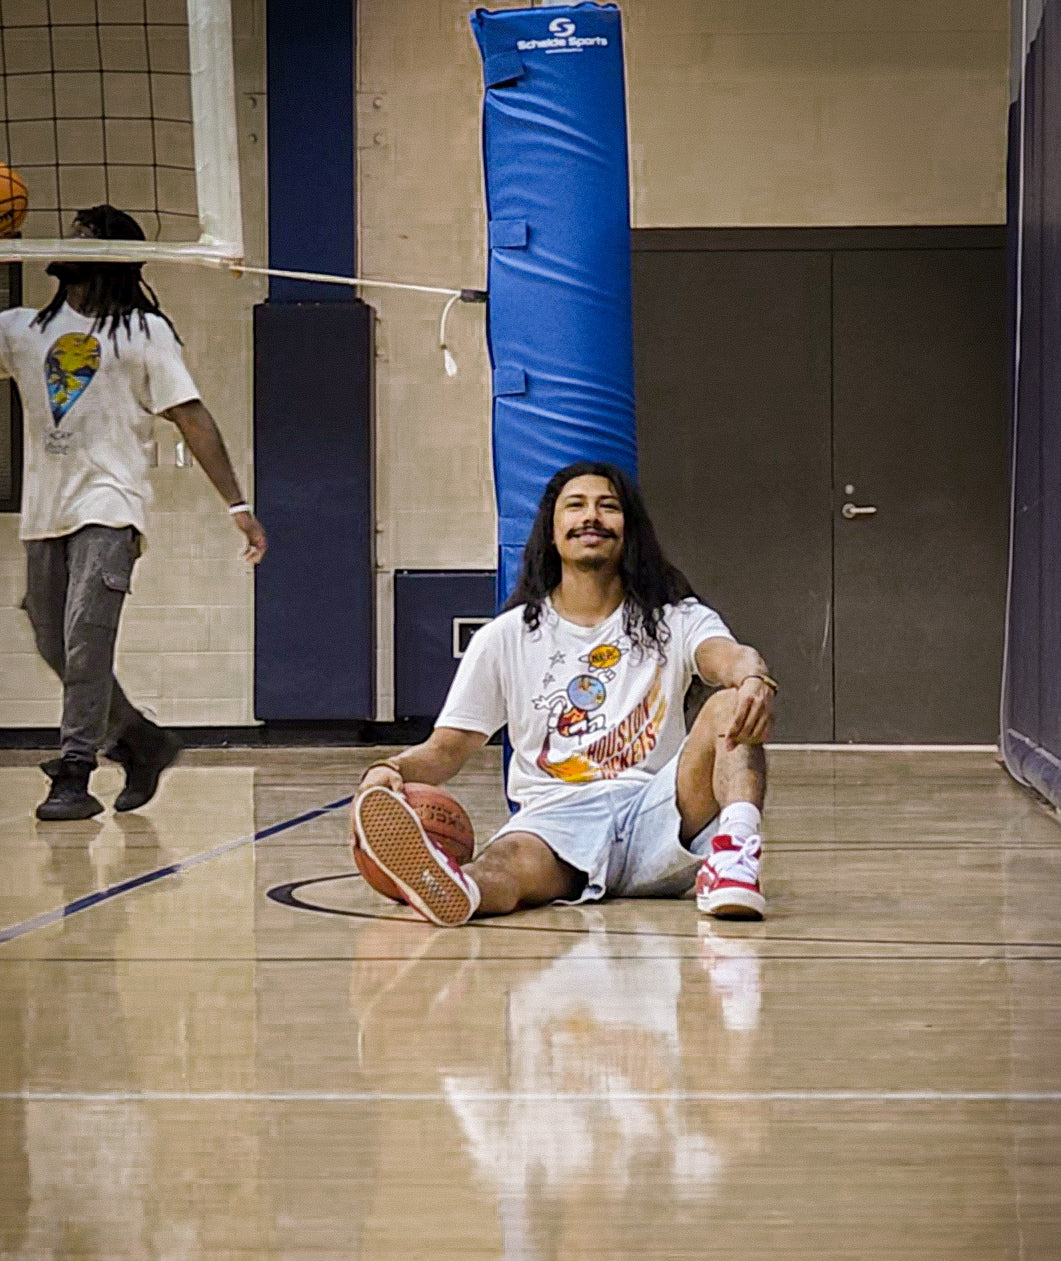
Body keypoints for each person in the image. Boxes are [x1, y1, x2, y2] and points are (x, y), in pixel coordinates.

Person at [353, 461, 776, 925]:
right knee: (504, 866)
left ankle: (735, 860)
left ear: (628, 532)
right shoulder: (505, 637)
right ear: (552, 535)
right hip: (556, 819)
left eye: (608, 507)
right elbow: (447, 749)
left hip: (659, 811)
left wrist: (752, 675)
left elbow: (730, 657)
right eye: (575, 506)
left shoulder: (675, 618)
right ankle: (454, 886)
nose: (591, 516)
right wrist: (388, 769)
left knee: (733, 703)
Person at [0, 204, 267, 821]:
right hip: (43, 511)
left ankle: (73, 772)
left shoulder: (143, 332)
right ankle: (143, 741)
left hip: (110, 504)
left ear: (112, 256)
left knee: (86, 640)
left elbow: (191, 415)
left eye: (84, 237)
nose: (67, 242)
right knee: (52, 641)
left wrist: (240, 505)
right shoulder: (21, 329)